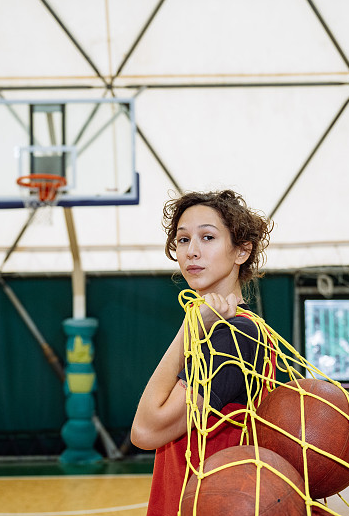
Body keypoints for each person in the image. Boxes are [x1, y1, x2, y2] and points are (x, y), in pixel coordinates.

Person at [131, 189, 273, 516]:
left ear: (241, 251)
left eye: (207, 237)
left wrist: (188, 329)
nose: (192, 251)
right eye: (182, 240)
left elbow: (145, 431)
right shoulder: (226, 328)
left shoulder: (235, 335)